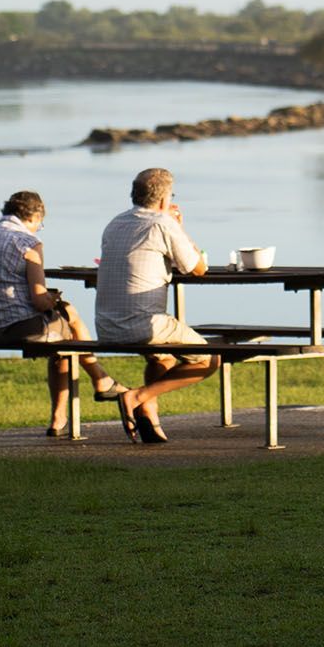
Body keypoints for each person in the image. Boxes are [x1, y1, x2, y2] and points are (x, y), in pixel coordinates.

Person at [0, 190, 119, 435]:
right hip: (21, 328)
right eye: (41, 224)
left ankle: (71, 408)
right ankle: (98, 380)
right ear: (35, 217)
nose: (39, 229)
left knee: (64, 327)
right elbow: (39, 299)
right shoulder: (28, 243)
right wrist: (52, 299)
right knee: (69, 320)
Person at [97, 167, 215, 445]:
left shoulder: (114, 224)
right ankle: (137, 396)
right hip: (144, 324)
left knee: (162, 357)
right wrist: (180, 227)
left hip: (106, 325)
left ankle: (148, 413)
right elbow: (197, 268)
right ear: (164, 200)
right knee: (210, 358)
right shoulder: (163, 224)